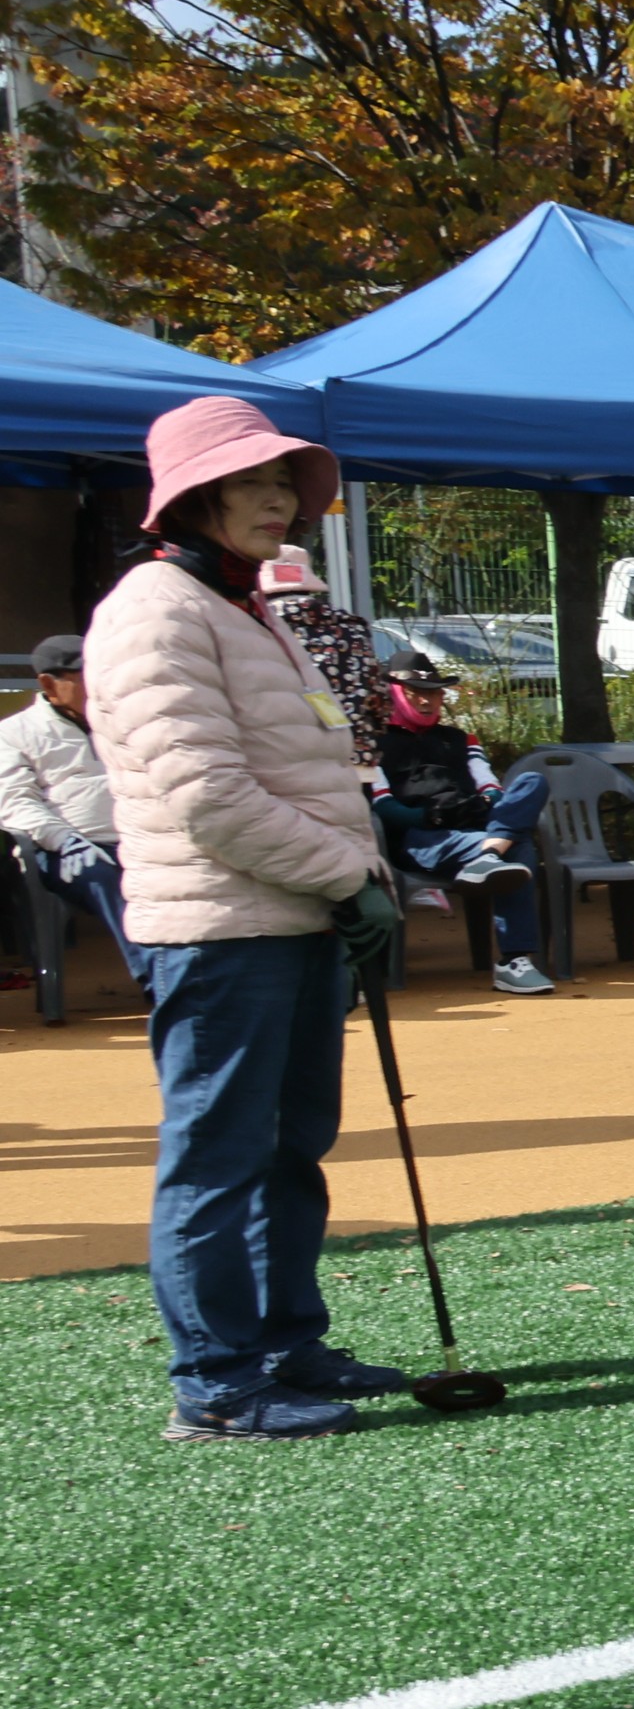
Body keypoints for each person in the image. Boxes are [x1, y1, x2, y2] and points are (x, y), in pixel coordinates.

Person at [82, 394, 414, 1439]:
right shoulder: (156, 610)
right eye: (254, 484)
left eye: (286, 484)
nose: (280, 502)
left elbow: (311, 764)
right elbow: (208, 796)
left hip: (296, 916)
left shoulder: (244, 605)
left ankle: (285, 1343)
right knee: (219, 1157)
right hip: (223, 931)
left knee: (289, 1147)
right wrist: (345, 875)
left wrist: (359, 875)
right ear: (191, 500)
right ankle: (218, 1386)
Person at [363, 652, 555, 993]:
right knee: (520, 848)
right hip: (421, 837)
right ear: (393, 693)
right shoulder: (372, 742)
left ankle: (488, 856)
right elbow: (383, 805)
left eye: (433, 691)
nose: (425, 699)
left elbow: (492, 789)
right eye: (414, 690)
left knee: (532, 783)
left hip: (474, 825)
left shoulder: (459, 738)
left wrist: (480, 804)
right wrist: (431, 815)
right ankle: (514, 956)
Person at [1, 633, 152, 987]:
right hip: (64, 849)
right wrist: (65, 840)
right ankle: (158, 981)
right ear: (48, 684)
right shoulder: (15, 732)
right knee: (104, 878)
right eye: (87, 677)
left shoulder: (127, 723)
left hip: (140, 837)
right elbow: (14, 801)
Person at [255, 542, 384, 766]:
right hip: (351, 761)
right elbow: (379, 701)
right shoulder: (352, 627)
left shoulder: (254, 627)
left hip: (282, 763)